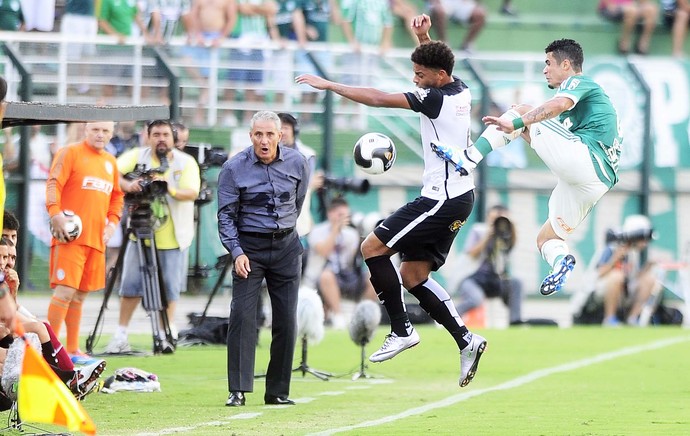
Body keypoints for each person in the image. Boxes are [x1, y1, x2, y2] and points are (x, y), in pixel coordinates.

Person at [296, 14, 488, 388]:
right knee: (413, 275)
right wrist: (423, 37)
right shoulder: (459, 88)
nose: (414, 79)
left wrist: (330, 85)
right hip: (458, 196)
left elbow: (380, 99)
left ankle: (401, 329)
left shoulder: (433, 99)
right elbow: (437, 62)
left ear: (437, 76)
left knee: (372, 247)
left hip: (441, 199)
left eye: (419, 74)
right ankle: (467, 340)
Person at [431, 38, 622, 297]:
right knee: (548, 238)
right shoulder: (576, 113)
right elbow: (540, 137)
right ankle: (560, 264)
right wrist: (519, 126)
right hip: (596, 182)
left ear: (566, 64)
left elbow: (556, 106)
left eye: (548, 63)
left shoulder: (578, 83)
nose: (545, 69)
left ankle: (469, 158)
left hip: (587, 159)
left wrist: (519, 118)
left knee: (520, 110)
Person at [217, 110, 309, 407]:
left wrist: (283, 231)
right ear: (251, 136)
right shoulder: (233, 168)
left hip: (286, 247)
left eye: (270, 134)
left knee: (286, 320)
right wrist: (237, 251)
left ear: (281, 136)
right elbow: (226, 216)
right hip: (249, 249)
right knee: (242, 318)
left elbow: (297, 202)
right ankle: (238, 390)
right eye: (259, 134)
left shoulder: (298, 162)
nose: (264, 140)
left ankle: (278, 392)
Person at [105, 120, 200, 354]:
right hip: (139, 233)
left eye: (165, 134)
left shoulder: (185, 162)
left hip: (174, 236)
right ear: (147, 136)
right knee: (130, 285)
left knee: (169, 287)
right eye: (156, 134)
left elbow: (192, 192)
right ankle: (121, 333)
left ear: (173, 137)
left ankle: (164, 332)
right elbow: (109, 171)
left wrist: (169, 188)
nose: (161, 139)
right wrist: (129, 184)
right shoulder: (137, 156)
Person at [45, 121, 125, 357]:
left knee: (80, 295)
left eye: (105, 131)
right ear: (86, 129)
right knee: (65, 292)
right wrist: (55, 213)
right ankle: (50, 348)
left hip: (95, 241)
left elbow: (117, 198)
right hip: (70, 238)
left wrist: (111, 224)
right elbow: (53, 183)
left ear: (112, 133)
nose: (100, 134)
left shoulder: (110, 162)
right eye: (96, 129)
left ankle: (71, 348)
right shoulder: (70, 152)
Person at [303, 197, 377, 329]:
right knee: (327, 275)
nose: (343, 218)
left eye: (346, 215)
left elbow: (352, 262)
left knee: (374, 278)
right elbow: (324, 251)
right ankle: (338, 317)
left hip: (345, 275)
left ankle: (361, 315)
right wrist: (335, 230)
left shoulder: (351, 234)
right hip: (319, 277)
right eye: (340, 215)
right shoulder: (317, 231)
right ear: (330, 214)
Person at [455, 204, 523, 325]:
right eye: (495, 218)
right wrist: (489, 235)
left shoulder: (506, 234)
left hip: (496, 279)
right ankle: (451, 318)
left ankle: (515, 322)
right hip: (474, 278)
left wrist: (511, 227)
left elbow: (512, 245)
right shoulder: (478, 230)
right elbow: (472, 254)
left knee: (516, 283)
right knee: (475, 299)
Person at [594, 215, 658, 326]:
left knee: (649, 279)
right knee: (616, 276)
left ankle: (633, 318)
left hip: (625, 291)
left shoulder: (633, 253)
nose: (645, 243)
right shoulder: (613, 247)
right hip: (601, 290)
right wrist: (615, 259)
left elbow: (633, 278)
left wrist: (647, 267)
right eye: (642, 238)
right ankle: (609, 318)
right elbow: (599, 273)